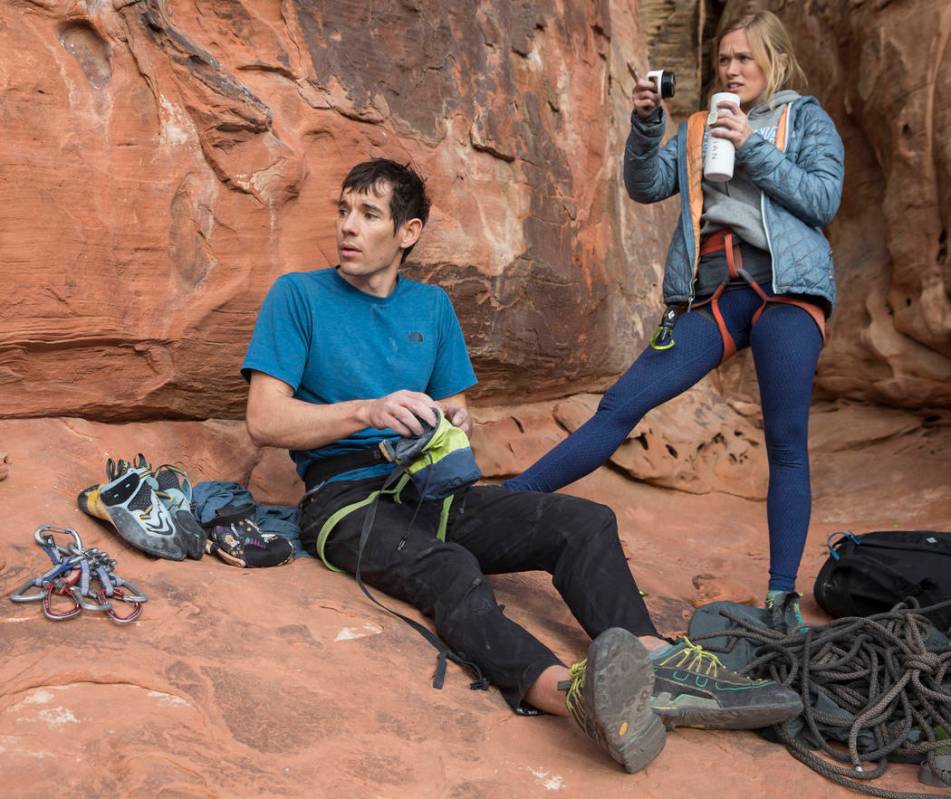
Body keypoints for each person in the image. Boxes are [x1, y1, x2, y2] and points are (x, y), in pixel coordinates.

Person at [241, 158, 800, 773]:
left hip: (431, 488)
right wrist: (368, 411)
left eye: (368, 214)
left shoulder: (430, 307)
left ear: (408, 233)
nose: (348, 226)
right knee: (451, 569)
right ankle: (576, 698)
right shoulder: (299, 296)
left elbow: (456, 408)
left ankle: (656, 666)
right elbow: (265, 421)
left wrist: (449, 423)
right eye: (344, 210)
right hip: (347, 501)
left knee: (583, 523)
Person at [503, 10, 845, 633]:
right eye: (724, 59)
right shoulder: (697, 128)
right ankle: (507, 502)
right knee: (621, 404)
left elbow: (824, 198)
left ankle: (779, 601)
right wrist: (646, 124)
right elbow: (645, 185)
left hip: (787, 288)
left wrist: (754, 148)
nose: (732, 69)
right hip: (715, 291)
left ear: (775, 61)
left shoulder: (804, 118)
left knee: (787, 444)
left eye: (745, 58)